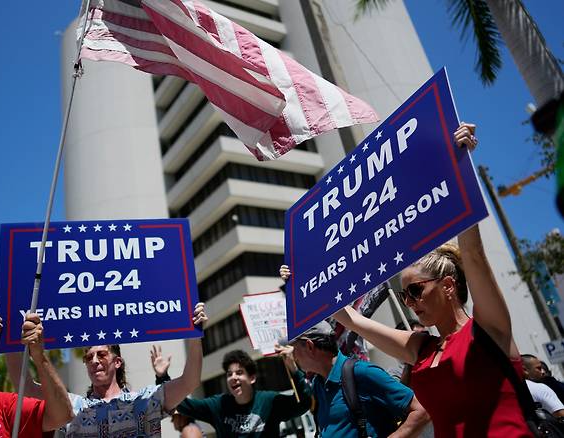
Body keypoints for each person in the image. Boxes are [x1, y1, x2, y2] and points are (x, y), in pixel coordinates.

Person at [282, 124, 533, 436]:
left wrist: (461, 166)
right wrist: (300, 281)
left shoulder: (488, 330)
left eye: (415, 291)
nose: (411, 303)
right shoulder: (421, 348)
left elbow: (474, 256)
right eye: (405, 297)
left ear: (448, 286)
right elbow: (350, 319)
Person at [0, 303, 208, 437]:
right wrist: (8, 338)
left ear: (118, 362)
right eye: (88, 357)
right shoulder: (72, 407)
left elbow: (190, 381)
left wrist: (195, 334)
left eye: (102, 354)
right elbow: (27, 388)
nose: (94, 360)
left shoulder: (146, 400)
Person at [288, 321, 429, 437]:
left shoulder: (362, 373)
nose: (293, 356)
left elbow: (421, 412)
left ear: (310, 346)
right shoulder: (318, 384)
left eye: (294, 349)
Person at [167, 348, 311, 437]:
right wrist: (162, 378)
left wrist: (293, 369)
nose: (233, 377)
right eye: (229, 374)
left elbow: (304, 404)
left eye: (239, 373)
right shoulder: (219, 405)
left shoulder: (269, 401)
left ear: (252, 378)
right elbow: (182, 404)